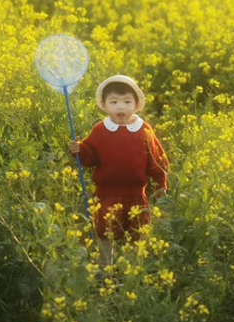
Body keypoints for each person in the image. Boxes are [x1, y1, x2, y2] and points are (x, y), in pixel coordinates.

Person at [66, 76, 169, 268]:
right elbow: (89, 156)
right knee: (106, 233)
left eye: (127, 102)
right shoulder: (100, 130)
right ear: (104, 105)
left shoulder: (144, 130)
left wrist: (160, 185)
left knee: (138, 233)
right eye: (114, 102)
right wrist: (78, 150)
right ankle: (106, 272)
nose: (120, 108)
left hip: (137, 195)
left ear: (137, 105)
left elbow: (157, 160)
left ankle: (134, 271)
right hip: (107, 195)